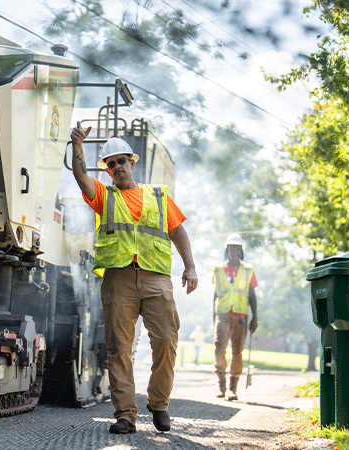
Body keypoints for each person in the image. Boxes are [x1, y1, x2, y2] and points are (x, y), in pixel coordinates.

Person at [70, 122, 198, 434]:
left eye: (120, 161)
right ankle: (125, 415)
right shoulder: (104, 196)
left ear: (131, 162)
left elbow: (178, 230)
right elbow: (80, 177)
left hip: (157, 279)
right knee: (119, 349)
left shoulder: (157, 196)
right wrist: (76, 146)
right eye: (110, 164)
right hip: (119, 281)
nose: (116, 167)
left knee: (166, 342)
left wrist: (190, 266)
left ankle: (159, 404)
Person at [212, 233, 258, 401]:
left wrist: (255, 317)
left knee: (237, 351)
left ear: (241, 251)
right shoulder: (218, 269)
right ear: (227, 250)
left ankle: (233, 389)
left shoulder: (248, 270)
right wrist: (214, 316)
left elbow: (252, 294)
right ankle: (221, 385)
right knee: (219, 348)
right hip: (223, 313)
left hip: (241, 315)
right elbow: (215, 294)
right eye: (231, 248)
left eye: (237, 248)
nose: (234, 251)